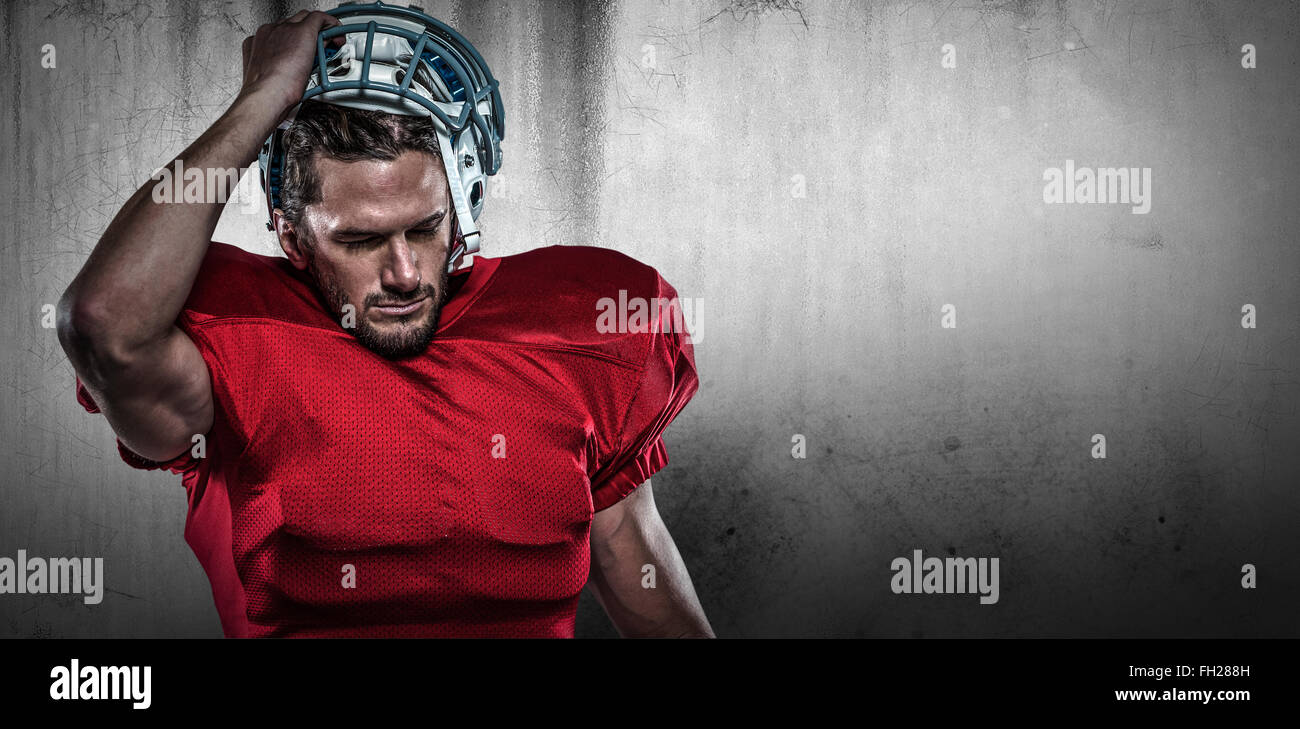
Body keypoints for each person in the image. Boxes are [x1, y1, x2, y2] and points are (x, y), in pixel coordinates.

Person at [56, 7, 712, 638]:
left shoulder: (581, 330)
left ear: (464, 203)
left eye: (424, 229)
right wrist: (260, 101)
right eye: (362, 240)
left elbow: (633, 560)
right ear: (291, 234)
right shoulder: (234, 340)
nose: (404, 272)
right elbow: (103, 324)